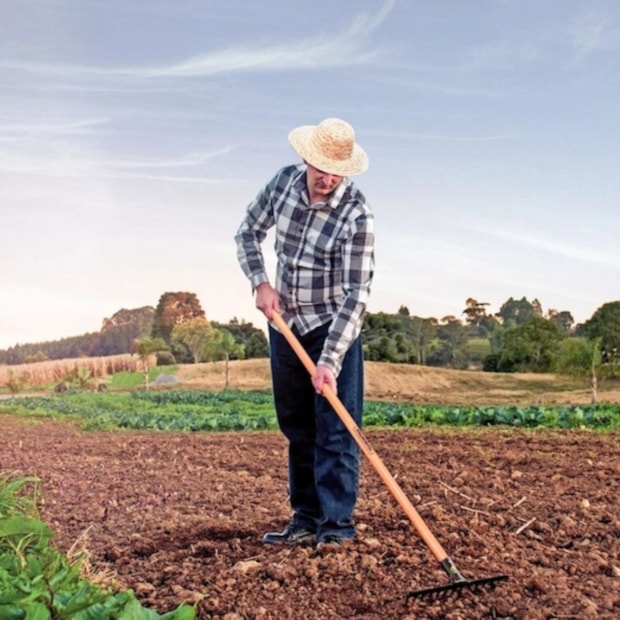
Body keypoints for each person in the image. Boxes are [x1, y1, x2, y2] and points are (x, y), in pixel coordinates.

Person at [234, 117, 375, 548]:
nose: (328, 178)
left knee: (335, 429)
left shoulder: (357, 215)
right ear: (306, 158)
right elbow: (247, 233)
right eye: (322, 167)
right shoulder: (282, 185)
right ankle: (306, 519)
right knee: (297, 426)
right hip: (286, 324)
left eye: (338, 170)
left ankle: (336, 529)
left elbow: (357, 294)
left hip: (333, 327)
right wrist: (260, 282)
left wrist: (329, 360)